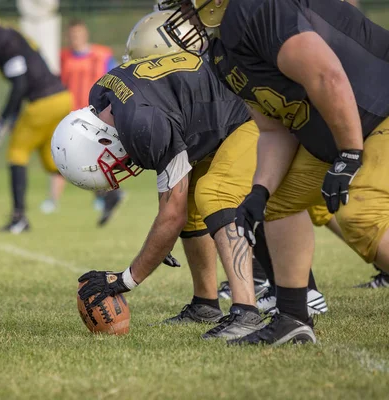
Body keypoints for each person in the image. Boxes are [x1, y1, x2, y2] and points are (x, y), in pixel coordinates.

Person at [160, 0, 389, 345]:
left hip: (378, 109)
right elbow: (274, 129)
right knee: (278, 203)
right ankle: (294, 318)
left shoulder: (256, 8)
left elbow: (326, 73)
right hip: (346, 123)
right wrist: (260, 190)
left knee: (361, 215)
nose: (180, 12)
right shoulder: (224, 53)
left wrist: (350, 152)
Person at [53, 10, 271, 340]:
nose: (120, 167)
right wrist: (162, 230)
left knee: (215, 193)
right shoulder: (103, 95)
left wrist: (124, 280)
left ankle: (247, 311)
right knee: (194, 200)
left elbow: (171, 215)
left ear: (98, 141)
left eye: (108, 165)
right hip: (221, 104)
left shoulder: (141, 125)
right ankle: (205, 303)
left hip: (250, 108)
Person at [0, 0, 72, 234]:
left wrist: (3, 120)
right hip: (59, 97)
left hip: (43, 102)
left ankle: (19, 217)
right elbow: (23, 79)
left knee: (17, 153)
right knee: (53, 162)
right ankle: (107, 191)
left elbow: (20, 84)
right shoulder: (6, 35)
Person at [59, 18, 124, 225]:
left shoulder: (101, 55)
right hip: (74, 118)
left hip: (97, 116)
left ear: (85, 34)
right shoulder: (64, 57)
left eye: (78, 34)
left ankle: (109, 194)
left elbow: (117, 78)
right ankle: (108, 195)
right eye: (72, 35)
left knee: (90, 159)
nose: (75, 38)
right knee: (84, 160)